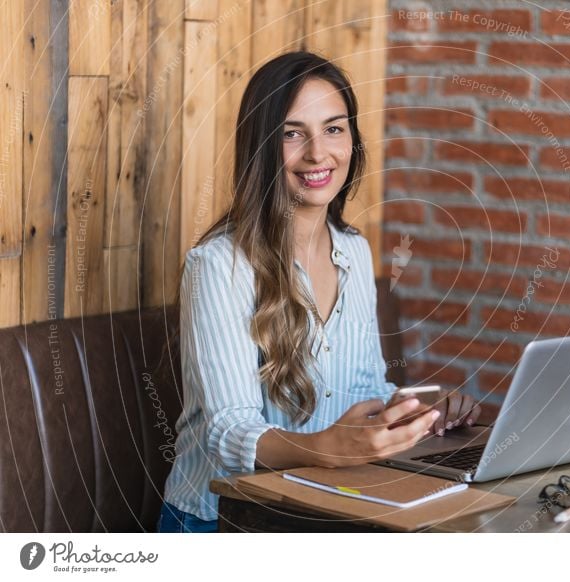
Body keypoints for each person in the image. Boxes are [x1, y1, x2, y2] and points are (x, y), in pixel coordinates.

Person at [157, 51, 481, 533]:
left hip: (325, 509)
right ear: (263, 147)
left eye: (334, 128)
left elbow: (366, 390)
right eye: (293, 133)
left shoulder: (355, 250)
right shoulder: (218, 266)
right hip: (223, 521)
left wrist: (419, 410)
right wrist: (327, 447)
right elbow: (228, 433)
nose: (317, 153)